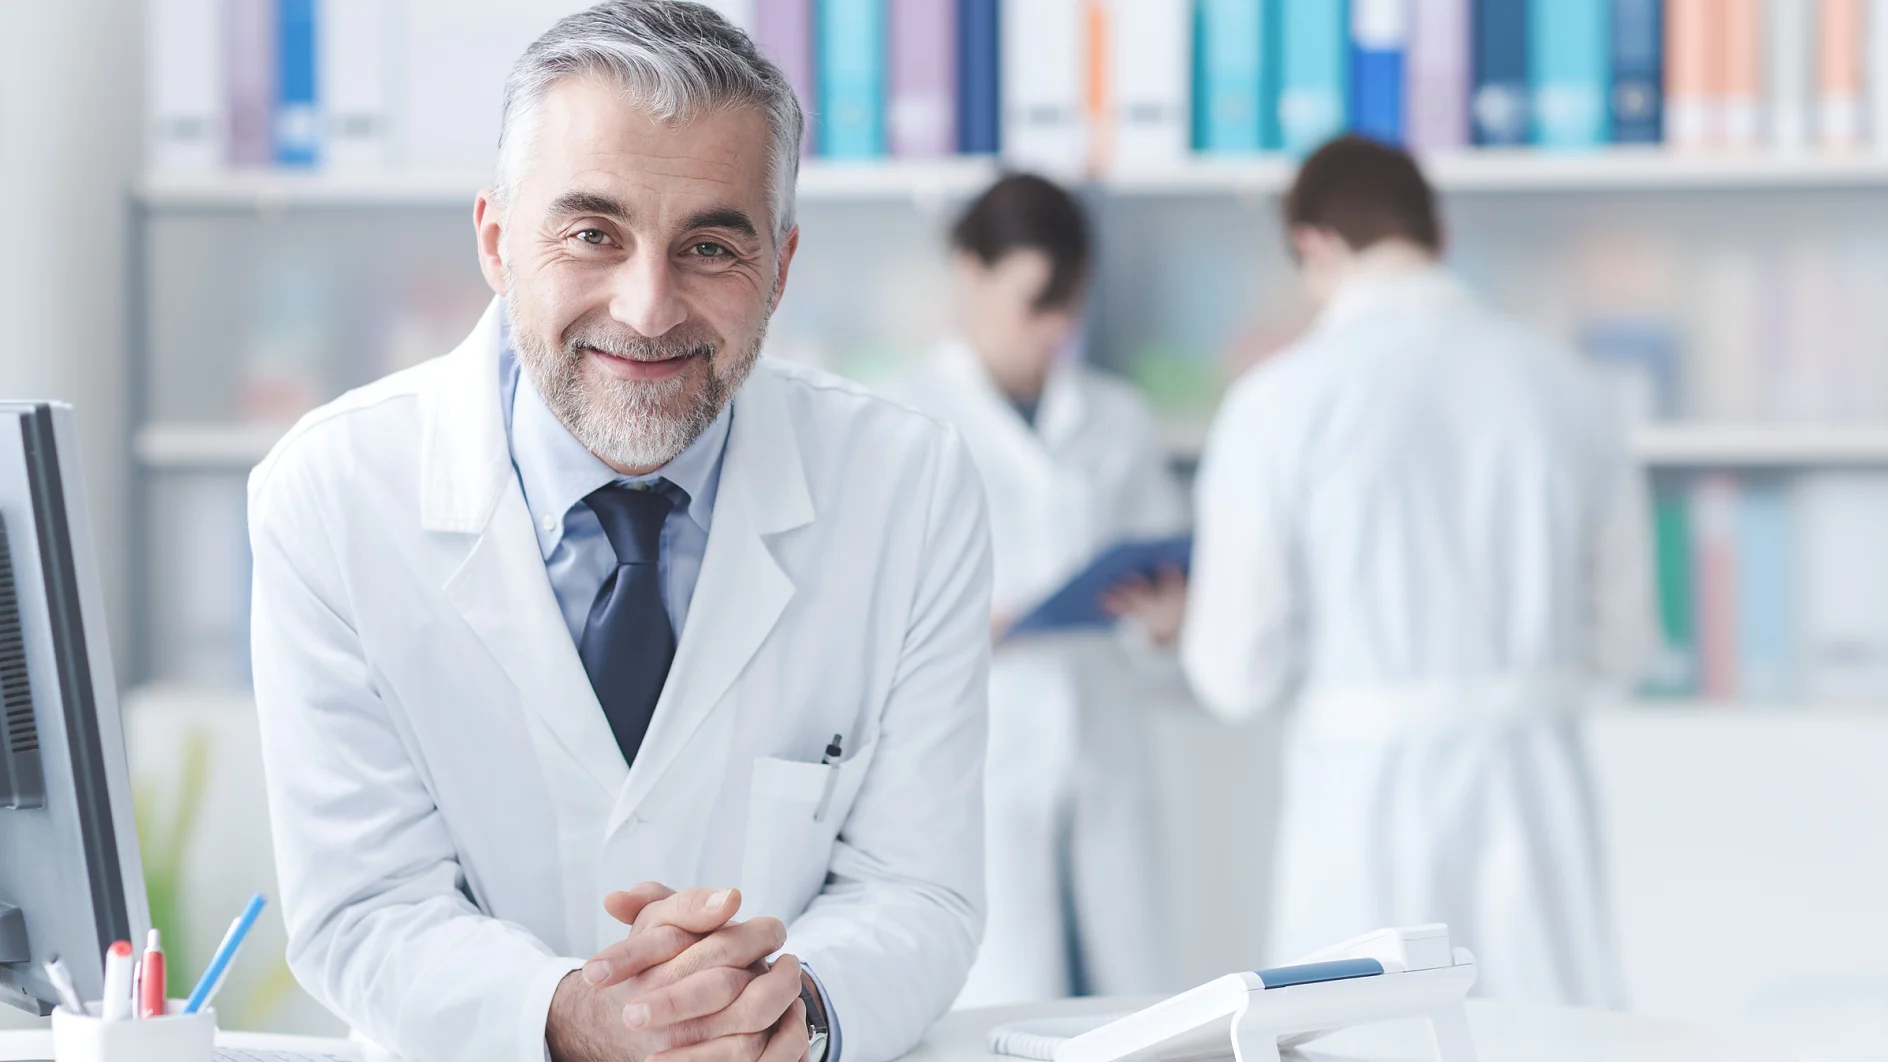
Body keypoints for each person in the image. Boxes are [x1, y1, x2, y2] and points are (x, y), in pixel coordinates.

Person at [247, 5, 991, 1062]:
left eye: (710, 245)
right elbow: (362, 906)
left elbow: (917, 887)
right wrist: (576, 1018)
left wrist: (794, 1010)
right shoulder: (329, 493)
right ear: (499, 241)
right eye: (593, 233)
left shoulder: (909, 487)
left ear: (779, 267)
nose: (647, 309)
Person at [1180, 136, 1655, 1007]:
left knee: (1366, 1035)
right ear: (1439, 232)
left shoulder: (1279, 401)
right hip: (1532, 789)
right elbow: (1624, 648)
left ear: (1313, 246)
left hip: (1364, 805)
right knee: (1548, 1036)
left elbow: (1234, 674)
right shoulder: (1570, 388)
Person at [884, 175, 1188, 1006]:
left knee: (1129, 988)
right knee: (1003, 994)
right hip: (982, 749)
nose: (1054, 330)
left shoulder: (1117, 417)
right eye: (1034, 303)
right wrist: (963, 624)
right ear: (970, 271)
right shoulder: (904, 418)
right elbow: (865, 614)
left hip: (1102, 739)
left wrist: (1163, 625)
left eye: (1070, 306)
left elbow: (1162, 582)